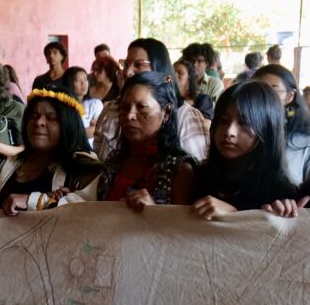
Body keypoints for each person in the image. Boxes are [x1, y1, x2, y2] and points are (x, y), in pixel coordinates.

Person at [0, 87, 103, 215]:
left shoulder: (83, 164)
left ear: (68, 124)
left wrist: (32, 201)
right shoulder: (15, 163)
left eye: (51, 118)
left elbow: (91, 207)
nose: (38, 122)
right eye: (34, 116)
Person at [190, 80, 297, 219]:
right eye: (223, 120)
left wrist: (234, 216)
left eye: (244, 123)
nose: (229, 132)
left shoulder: (281, 195)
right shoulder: (200, 176)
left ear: (267, 129)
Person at [93, 38, 210, 163]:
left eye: (138, 65)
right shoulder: (111, 109)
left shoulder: (184, 116)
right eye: (126, 64)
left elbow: (196, 168)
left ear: (159, 68)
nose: (128, 72)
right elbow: (99, 156)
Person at [96, 72, 193, 209]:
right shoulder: (114, 160)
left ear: (167, 112)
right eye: (124, 107)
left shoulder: (179, 169)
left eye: (142, 108)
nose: (130, 116)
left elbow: (183, 228)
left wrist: (154, 212)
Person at [252, 64, 310, 185]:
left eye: (273, 90)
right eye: (257, 91)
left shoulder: (309, 147)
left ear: (290, 96)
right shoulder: (243, 137)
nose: (263, 97)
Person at [66, 66, 103, 140]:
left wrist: (72, 134)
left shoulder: (95, 104)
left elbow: (97, 131)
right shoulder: (64, 106)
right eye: (78, 80)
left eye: (85, 79)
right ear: (69, 83)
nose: (83, 83)